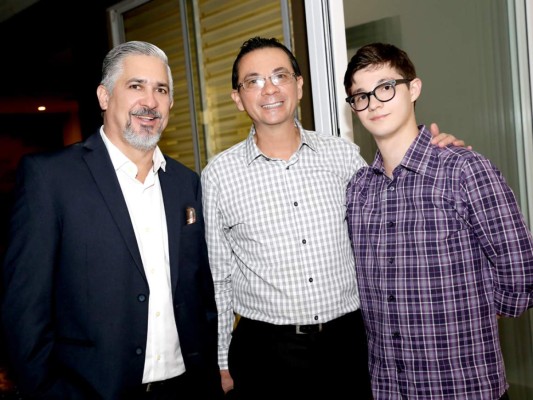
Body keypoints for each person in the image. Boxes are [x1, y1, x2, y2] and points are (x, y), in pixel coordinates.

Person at [201, 36, 465, 399]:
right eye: (253, 81)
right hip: (265, 352)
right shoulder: (218, 175)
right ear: (237, 97)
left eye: (279, 75)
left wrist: (437, 153)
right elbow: (219, 277)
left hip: (348, 344)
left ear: (299, 85)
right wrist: (221, 360)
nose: (269, 89)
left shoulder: (343, 156)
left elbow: (392, 211)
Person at [1, 41, 224, 400]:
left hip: (186, 389)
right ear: (104, 97)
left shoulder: (186, 183)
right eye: (136, 86)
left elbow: (201, 294)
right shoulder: (51, 178)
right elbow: (24, 310)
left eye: (161, 90)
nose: (150, 101)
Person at [344, 42, 533, 400]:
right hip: (388, 388)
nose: (374, 104)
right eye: (361, 96)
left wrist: (474, 318)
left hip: (463, 387)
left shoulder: (463, 170)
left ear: (413, 89)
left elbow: (521, 271)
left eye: (386, 88)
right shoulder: (358, 190)